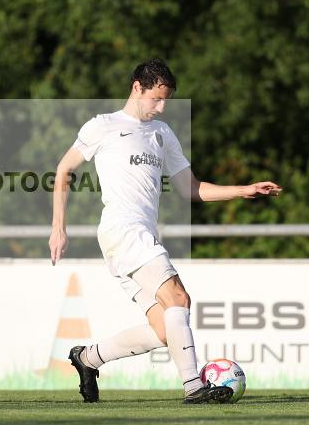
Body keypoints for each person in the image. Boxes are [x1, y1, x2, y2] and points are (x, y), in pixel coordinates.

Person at [48, 59, 281, 405]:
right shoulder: (103, 126)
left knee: (163, 330)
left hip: (137, 237)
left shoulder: (163, 134)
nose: (161, 107)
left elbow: (191, 188)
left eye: (166, 101)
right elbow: (64, 169)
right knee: (179, 299)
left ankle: (88, 358)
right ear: (137, 88)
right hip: (123, 231)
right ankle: (193, 386)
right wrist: (58, 228)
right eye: (156, 98)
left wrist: (244, 190)